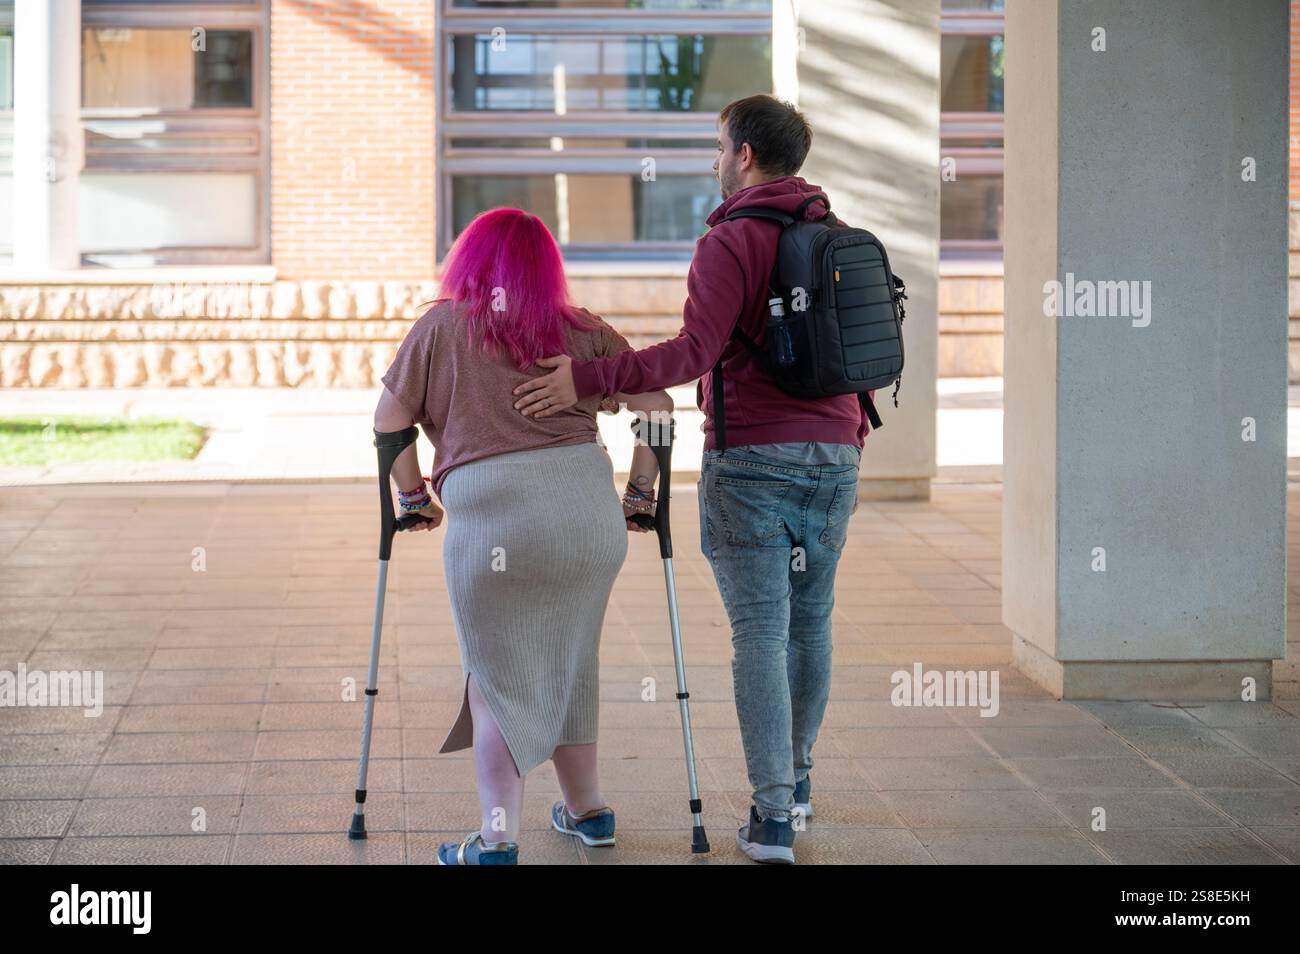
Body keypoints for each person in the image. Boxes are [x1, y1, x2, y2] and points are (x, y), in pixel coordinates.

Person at [511, 94, 872, 864]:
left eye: (718, 147)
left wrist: (589, 377)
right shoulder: (835, 234)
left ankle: (772, 819)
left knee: (762, 635)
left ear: (743, 154)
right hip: (836, 456)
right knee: (811, 625)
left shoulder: (732, 239)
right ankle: (796, 790)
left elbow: (693, 353)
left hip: (754, 463)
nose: (714, 160)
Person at [375, 207, 673, 865]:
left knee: (496, 681)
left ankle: (495, 840)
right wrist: (643, 494)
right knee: (571, 663)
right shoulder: (584, 328)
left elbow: (388, 422)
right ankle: (590, 812)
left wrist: (412, 496)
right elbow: (658, 407)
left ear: (469, 261)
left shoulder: (441, 326)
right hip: (586, 519)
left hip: (494, 523)